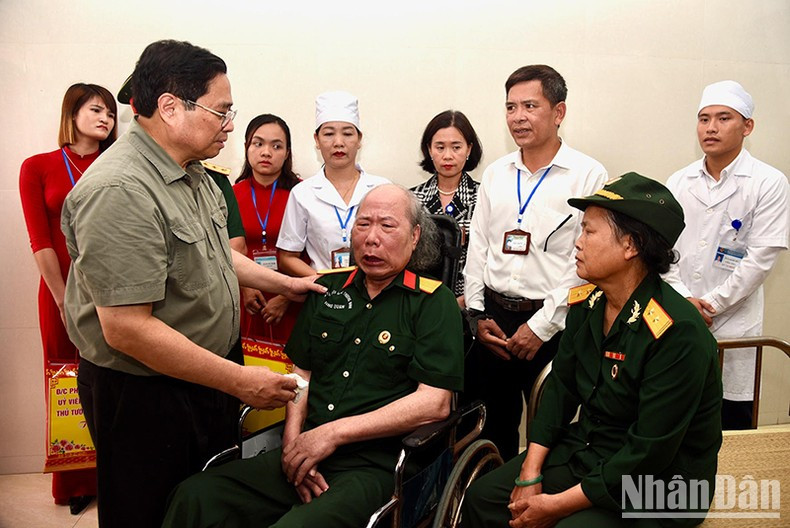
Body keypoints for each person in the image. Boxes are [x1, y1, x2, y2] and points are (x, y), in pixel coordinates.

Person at [61, 40, 325, 528]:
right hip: (147, 392)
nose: (230, 124)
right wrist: (241, 381)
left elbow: (214, 255)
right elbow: (127, 329)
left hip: (203, 377)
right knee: (150, 511)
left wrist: (284, 285)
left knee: (204, 507)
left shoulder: (192, 173)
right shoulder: (121, 189)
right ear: (170, 107)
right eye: (222, 111)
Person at [162, 184, 464, 528]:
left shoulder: (433, 302)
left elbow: (434, 404)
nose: (372, 238)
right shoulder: (326, 288)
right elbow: (301, 373)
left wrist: (331, 434)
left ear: (414, 236)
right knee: (197, 495)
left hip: (376, 464)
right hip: (305, 447)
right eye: (363, 224)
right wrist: (294, 442)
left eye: (387, 226)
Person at [462, 173, 723, 528]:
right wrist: (530, 471)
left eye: (589, 231)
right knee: (484, 499)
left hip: (661, 485)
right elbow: (561, 390)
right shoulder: (587, 306)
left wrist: (556, 506)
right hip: (591, 451)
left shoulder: (679, 333)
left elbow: (649, 452)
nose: (577, 243)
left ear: (630, 246)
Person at [463, 65, 607, 459]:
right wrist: (476, 314)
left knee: (550, 434)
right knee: (490, 432)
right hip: (494, 322)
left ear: (558, 112)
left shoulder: (588, 174)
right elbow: (479, 247)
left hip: (555, 325)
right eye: (510, 107)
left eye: (530, 105)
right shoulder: (496, 173)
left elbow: (589, 262)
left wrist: (541, 326)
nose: (518, 117)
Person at [664, 80, 789, 430]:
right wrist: (683, 298)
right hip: (680, 315)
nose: (711, 128)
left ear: (747, 126)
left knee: (729, 425)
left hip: (735, 326)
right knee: (676, 417)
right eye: (704, 119)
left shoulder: (768, 182)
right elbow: (663, 248)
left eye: (723, 118)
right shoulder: (679, 181)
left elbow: (761, 258)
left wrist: (711, 305)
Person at [19, 82, 117, 515]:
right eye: (96, 110)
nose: (105, 120)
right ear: (71, 113)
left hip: (113, 291)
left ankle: (113, 474)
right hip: (59, 291)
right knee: (65, 380)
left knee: (112, 381)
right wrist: (62, 298)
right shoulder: (37, 166)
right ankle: (74, 481)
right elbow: (40, 240)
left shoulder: (117, 165)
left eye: (111, 114)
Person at [117, 73, 247, 253]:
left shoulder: (204, 177)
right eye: (220, 114)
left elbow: (226, 255)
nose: (229, 125)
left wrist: (290, 282)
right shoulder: (122, 187)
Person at [277, 90, 389, 274]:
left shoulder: (382, 188)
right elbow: (287, 257)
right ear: (317, 140)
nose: (338, 142)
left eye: (347, 134)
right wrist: (324, 284)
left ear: (359, 139)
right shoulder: (303, 193)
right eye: (329, 134)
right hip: (322, 294)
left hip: (376, 292)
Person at [234, 114, 303, 343]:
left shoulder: (303, 194)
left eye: (277, 146)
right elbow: (223, 252)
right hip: (247, 299)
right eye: (258, 143)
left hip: (294, 300)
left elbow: (312, 254)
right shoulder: (230, 194)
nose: (266, 152)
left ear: (287, 153)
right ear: (247, 147)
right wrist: (245, 287)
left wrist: (287, 296)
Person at [411, 109, 482, 306]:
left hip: (468, 302)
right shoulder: (411, 199)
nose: (447, 156)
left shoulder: (485, 197)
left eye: (456, 147)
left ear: (469, 149)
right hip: (419, 301)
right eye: (440, 147)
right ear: (429, 150)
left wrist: (468, 299)